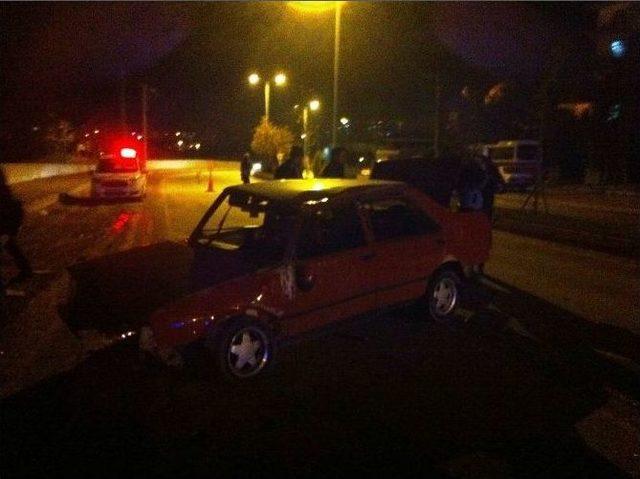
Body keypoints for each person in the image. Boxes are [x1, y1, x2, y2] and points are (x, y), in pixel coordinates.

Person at [0, 167, 33, 288]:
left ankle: (25, 271)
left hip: (5, 225)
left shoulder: (3, 193)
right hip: (6, 225)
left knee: (9, 245)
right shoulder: (4, 191)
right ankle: (26, 271)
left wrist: (9, 231)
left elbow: (12, 208)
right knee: (11, 246)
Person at [476, 153, 504, 220]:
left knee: (484, 207)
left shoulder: (484, 168)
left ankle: (484, 221)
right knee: (486, 207)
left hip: (485, 191)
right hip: (487, 191)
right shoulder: (490, 168)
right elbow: (499, 178)